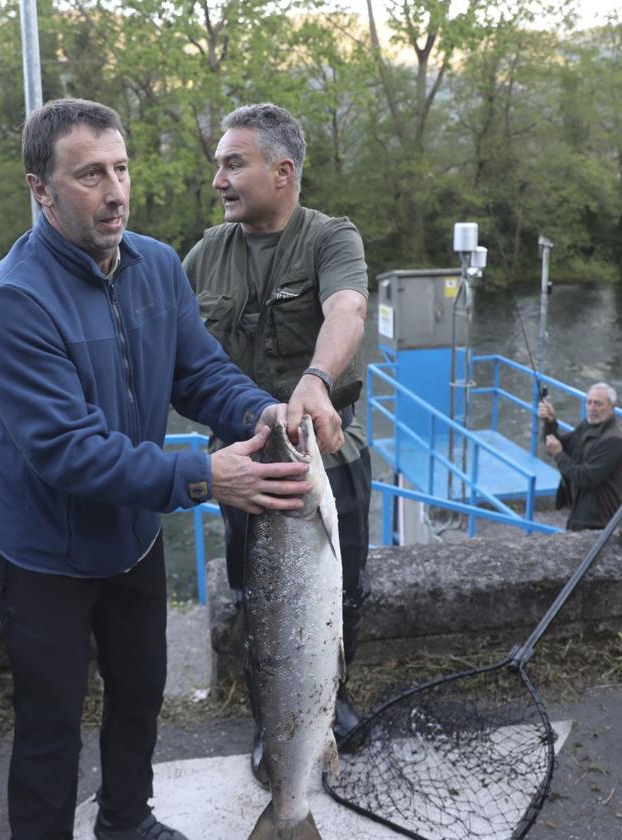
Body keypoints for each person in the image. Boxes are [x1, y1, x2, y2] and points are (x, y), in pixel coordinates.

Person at [0, 98, 312, 840]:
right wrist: (203, 476)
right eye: (90, 174)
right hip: (45, 554)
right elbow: (66, 449)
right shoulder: (10, 298)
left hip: (132, 537)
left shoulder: (157, 264)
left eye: (121, 168)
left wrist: (265, 412)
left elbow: (201, 375)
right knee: (51, 721)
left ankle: (126, 821)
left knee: (139, 693)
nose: (115, 189)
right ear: (42, 188)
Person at [181, 102, 370, 783]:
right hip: (245, 464)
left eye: (233, 164)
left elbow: (347, 308)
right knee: (255, 596)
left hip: (327, 453)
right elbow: (173, 351)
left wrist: (317, 378)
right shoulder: (204, 254)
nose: (218, 180)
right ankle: (274, 721)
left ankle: (332, 701)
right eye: (218, 166)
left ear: (282, 171)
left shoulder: (330, 238)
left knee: (342, 589)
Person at [537, 383, 622, 531]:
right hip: (579, 511)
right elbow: (559, 445)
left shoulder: (613, 441)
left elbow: (586, 478)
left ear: (613, 407)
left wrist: (558, 454)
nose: (592, 408)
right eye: (589, 402)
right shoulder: (588, 425)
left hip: (597, 521)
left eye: (598, 404)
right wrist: (550, 422)